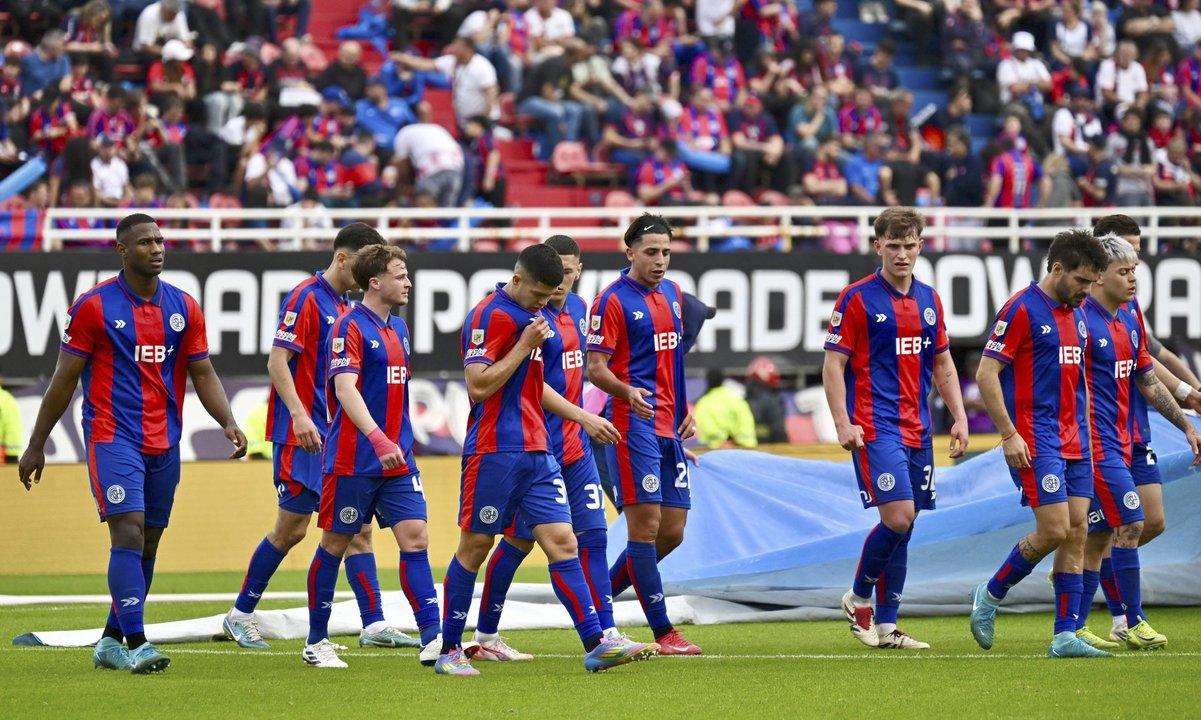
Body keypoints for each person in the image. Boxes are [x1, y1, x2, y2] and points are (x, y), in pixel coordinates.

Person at [18, 213, 248, 673]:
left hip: (165, 439)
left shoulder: (184, 306)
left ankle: (109, 640)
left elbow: (202, 371)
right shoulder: (93, 307)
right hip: (111, 435)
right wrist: (36, 443)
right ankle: (139, 642)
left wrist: (227, 420)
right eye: (145, 242)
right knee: (128, 530)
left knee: (149, 542)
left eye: (160, 241)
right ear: (123, 250)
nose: (157, 248)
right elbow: (64, 380)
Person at [438, 244, 656, 675]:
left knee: (565, 541)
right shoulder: (490, 315)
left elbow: (535, 386)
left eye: (551, 293)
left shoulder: (540, 317)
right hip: (494, 450)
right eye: (539, 293)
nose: (545, 302)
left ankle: (597, 643)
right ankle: (450, 650)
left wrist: (579, 416)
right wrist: (523, 345)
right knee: (476, 546)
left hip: (539, 450)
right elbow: (478, 386)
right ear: (516, 280)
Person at [223, 224, 420, 652]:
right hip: (304, 434)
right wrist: (298, 415)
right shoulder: (306, 297)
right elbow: (278, 360)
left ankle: (373, 623)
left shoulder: (349, 308)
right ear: (345, 258)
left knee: (359, 530)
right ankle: (240, 613)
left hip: (337, 437)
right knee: (292, 528)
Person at [822, 208, 968, 650]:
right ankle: (858, 596)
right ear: (877, 246)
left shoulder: (930, 299)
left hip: (918, 427)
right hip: (874, 426)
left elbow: (942, 361)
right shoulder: (857, 298)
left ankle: (887, 625)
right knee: (898, 516)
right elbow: (833, 364)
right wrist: (842, 422)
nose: (902, 254)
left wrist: (958, 416)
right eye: (894, 245)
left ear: (921, 246)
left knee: (908, 524)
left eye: (910, 245)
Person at [968, 228, 1110, 659]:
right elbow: (986, 374)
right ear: (1056, 268)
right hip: (1034, 439)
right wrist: (1009, 434)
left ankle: (1064, 635)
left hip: (1076, 440)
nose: (1088, 291)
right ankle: (989, 594)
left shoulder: (1079, 312)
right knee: (1053, 529)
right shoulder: (1021, 309)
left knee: (1079, 530)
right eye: (1082, 281)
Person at [301, 244, 442, 669]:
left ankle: (434, 638)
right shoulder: (348, 326)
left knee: (415, 537)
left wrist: (396, 442)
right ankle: (315, 641)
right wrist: (379, 439)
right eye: (401, 275)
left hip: (397, 460)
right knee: (335, 543)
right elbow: (345, 389)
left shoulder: (398, 328)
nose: (409, 282)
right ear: (375, 282)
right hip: (353, 460)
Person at [1074, 233, 1201, 653]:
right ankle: (1129, 620)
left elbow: (1147, 379)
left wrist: (1185, 424)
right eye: (1123, 271)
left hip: (1126, 439)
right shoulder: (1080, 323)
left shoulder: (1128, 318)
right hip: (1093, 443)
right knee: (1123, 524)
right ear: (1097, 276)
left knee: (1121, 529)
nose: (1133, 279)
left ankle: (1080, 621)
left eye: (1135, 270)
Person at [587, 214, 703, 656]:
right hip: (632, 425)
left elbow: (673, 362)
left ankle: (600, 602)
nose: (660, 260)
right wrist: (626, 390)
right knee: (646, 525)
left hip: (668, 425)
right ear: (629, 251)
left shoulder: (673, 294)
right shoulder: (611, 301)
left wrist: (685, 409)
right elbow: (596, 368)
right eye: (651, 252)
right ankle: (663, 631)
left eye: (666, 252)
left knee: (672, 531)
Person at [693, 368, 757, 449]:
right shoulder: (737, 399)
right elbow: (747, 420)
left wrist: (723, 441)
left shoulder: (703, 403)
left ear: (707, 381)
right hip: (744, 448)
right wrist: (738, 440)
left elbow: (708, 427)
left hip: (717, 450)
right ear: (723, 380)